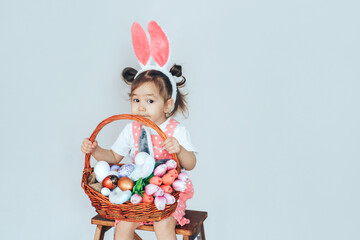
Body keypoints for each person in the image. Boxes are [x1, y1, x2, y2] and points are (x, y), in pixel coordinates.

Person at [81, 63, 197, 240]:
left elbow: (191, 164)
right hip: (138, 191)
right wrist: (95, 151)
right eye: (136, 100)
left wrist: (179, 150)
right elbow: (113, 156)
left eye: (149, 101)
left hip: (168, 194)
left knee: (163, 225)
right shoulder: (132, 129)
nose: (141, 107)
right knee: (123, 227)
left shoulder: (175, 131)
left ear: (167, 105)